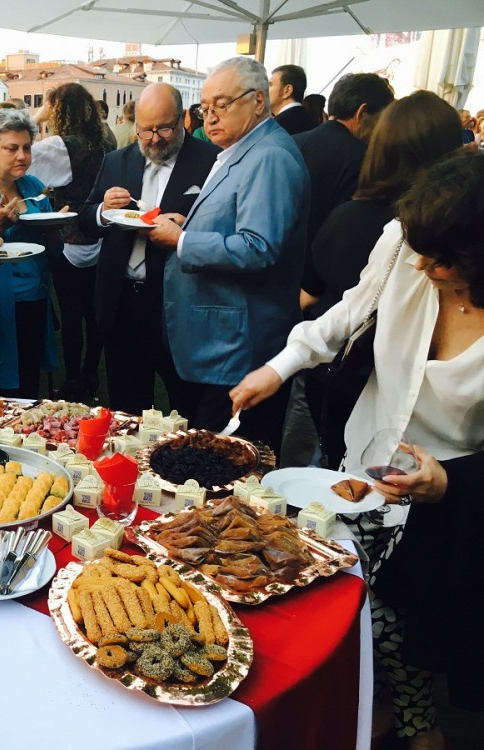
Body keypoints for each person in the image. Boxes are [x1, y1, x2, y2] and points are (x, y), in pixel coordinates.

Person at [231, 149, 484, 750]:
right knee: (339, 595)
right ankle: (368, 707)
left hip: (451, 500)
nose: (421, 265)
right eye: (417, 249)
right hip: (361, 464)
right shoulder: (403, 241)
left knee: (401, 618)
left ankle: (413, 722)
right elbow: (350, 312)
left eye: (443, 261)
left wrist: (449, 484)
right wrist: (281, 365)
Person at [145, 57, 309, 451]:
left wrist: (182, 241)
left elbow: (258, 247)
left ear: (257, 102)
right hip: (225, 342)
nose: (211, 116)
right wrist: (191, 227)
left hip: (239, 347)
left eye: (222, 103)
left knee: (225, 460)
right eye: (205, 107)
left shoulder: (268, 156)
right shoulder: (246, 148)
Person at [302, 91, 464, 467]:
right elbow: (349, 308)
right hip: (358, 401)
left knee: (325, 463)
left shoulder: (353, 217)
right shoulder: (394, 233)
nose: (421, 265)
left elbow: (310, 295)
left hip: (342, 385)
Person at [79, 83, 219, 415]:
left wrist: (189, 228)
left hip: (175, 301)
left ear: (183, 119)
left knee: (186, 401)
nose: (154, 139)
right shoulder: (117, 161)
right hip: (122, 301)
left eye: (164, 128)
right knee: (127, 405)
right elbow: (85, 219)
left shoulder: (210, 161)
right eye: (145, 130)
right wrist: (102, 210)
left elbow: (221, 230)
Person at [29, 82, 114, 402]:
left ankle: (74, 379)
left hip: (68, 239)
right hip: (101, 234)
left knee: (71, 312)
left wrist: (38, 117)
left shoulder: (56, 145)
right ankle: (90, 373)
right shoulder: (103, 140)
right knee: (94, 314)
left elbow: (25, 170)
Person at [0, 108, 60, 398]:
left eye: (26, 148)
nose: (22, 156)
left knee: (29, 378)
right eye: (12, 148)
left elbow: (49, 238)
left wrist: (57, 222)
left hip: (35, 298)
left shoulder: (33, 186)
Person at [295, 73, 395, 309]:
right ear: (362, 113)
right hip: (318, 292)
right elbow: (342, 232)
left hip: (276, 277)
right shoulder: (363, 159)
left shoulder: (292, 142)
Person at [268, 64, 315, 135]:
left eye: (270, 85)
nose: (263, 89)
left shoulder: (274, 128)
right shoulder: (311, 121)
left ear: (287, 90)